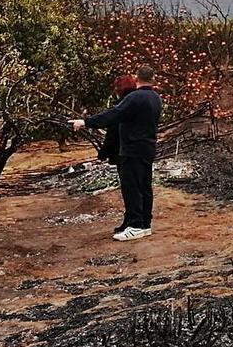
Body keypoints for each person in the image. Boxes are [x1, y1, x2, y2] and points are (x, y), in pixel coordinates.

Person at [69, 66, 163, 241]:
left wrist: (86, 122)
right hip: (148, 147)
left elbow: (113, 115)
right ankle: (144, 224)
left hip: (132, 149)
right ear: (153, 78)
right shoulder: (156, 98)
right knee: (144, 187)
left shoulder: (135, 97)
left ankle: (135, 225)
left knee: (132, 187)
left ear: (137, 78)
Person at [97, 74, 138, 233]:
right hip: (135, 150)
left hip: (124, 152)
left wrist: (103, 152)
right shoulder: (137, 103)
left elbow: (113, 132)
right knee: (135, 188)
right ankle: (133, 221)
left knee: (129, 189)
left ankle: (132, 222)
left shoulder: (123, 106)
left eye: (116, 87)